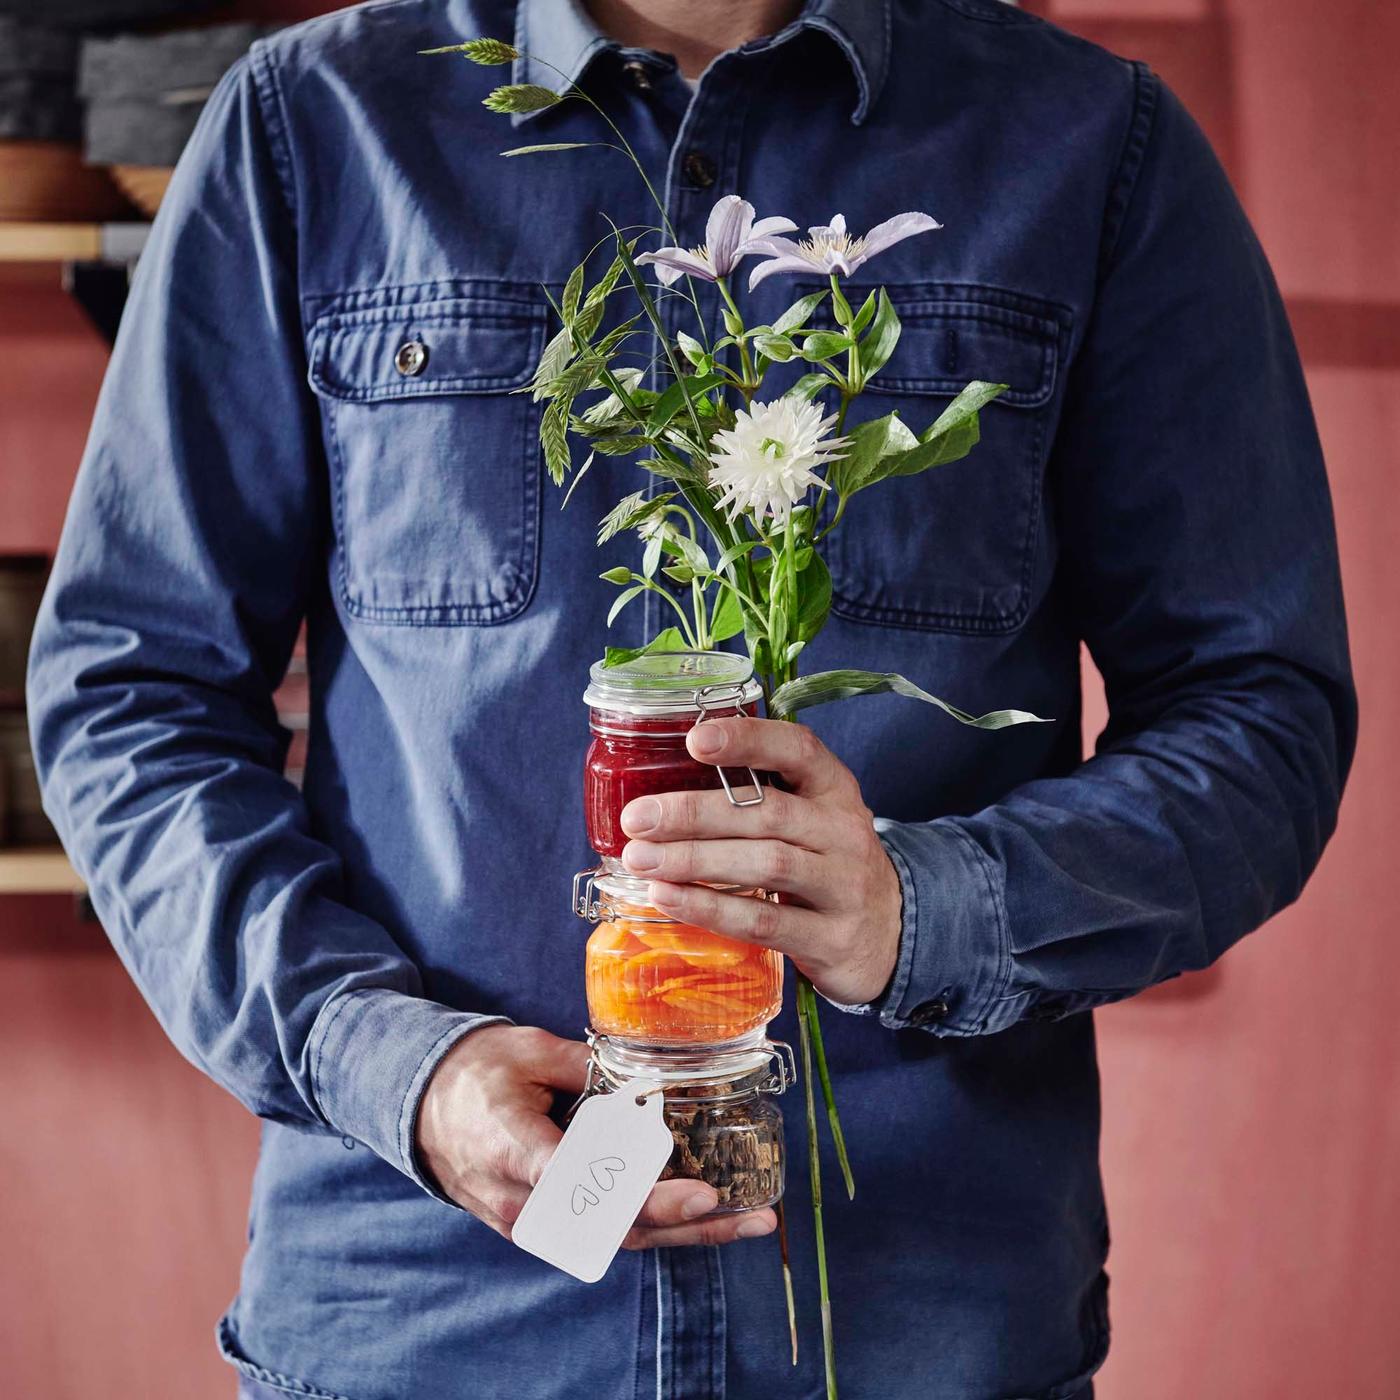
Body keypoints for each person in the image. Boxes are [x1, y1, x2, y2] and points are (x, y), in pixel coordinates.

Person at [27, 1, 1355, 1397]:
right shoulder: (309, 127)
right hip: (427, 1325)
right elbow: (132, 694)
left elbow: (1258, 713)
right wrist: (393, 1065)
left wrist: (927, 910)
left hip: (918, 1326)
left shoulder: (1091, 146)